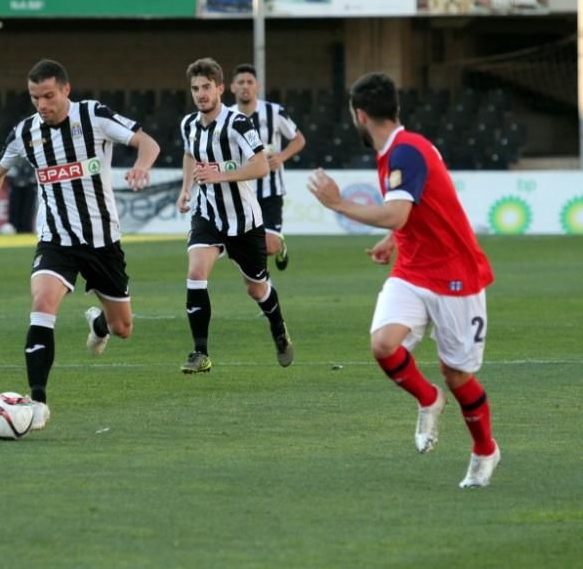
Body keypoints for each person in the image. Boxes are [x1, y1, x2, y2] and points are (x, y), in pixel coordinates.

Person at [307, 72, 498, 488]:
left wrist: (339, 203)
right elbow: (415, 210)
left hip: (453, 274)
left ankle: (485, 450)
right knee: (383, 344)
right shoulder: (401, 149)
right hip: (413, 268)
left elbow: (398, 212)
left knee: (457, 375)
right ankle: (428, 399)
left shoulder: (406, 151)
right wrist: (393, 238)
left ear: (360, 115)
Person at [0, 59, 160, 430]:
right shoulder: (25, 133)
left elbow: (147, 142)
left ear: (66, 90)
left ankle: (99, 324)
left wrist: (142, 165)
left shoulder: (93, 116)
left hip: (102, 242)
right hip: (56, 240)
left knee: (123, 328)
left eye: (49, 96)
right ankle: (37, 402)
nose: (42, 105)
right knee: (42, 302)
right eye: (35, 97)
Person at [176, 58, 294, 375]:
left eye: (206, 88)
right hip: (207, 215)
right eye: (195, 88)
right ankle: (200, 353)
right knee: (196, 274)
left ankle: (279, 329)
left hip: (243, 222)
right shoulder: (189, 124)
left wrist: (220, 176)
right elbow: (189, 153)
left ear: (220, 89)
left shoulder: (238, 123)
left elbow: (260, 165)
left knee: (256, 288)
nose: (200, 94)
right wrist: (186, 189)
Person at [230, 64, 306, 271]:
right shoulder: (226, 116)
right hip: (240, 191)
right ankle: (260, 280)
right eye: (241, 82)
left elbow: (299, 139)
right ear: (232, 87)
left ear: (257, 87)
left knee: (269, 246)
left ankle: (280, 247)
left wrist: (282, 156)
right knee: (245, 244)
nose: (245, 86)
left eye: (250, 82)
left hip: (270, 190)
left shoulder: (274, 112)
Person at [6, 155, 37, 233]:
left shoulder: (34, 150)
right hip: (15, 182)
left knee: (28, 208)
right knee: (14, 207)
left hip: (31, 182)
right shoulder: (15, 149)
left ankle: (26, 229)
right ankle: (13, 228)